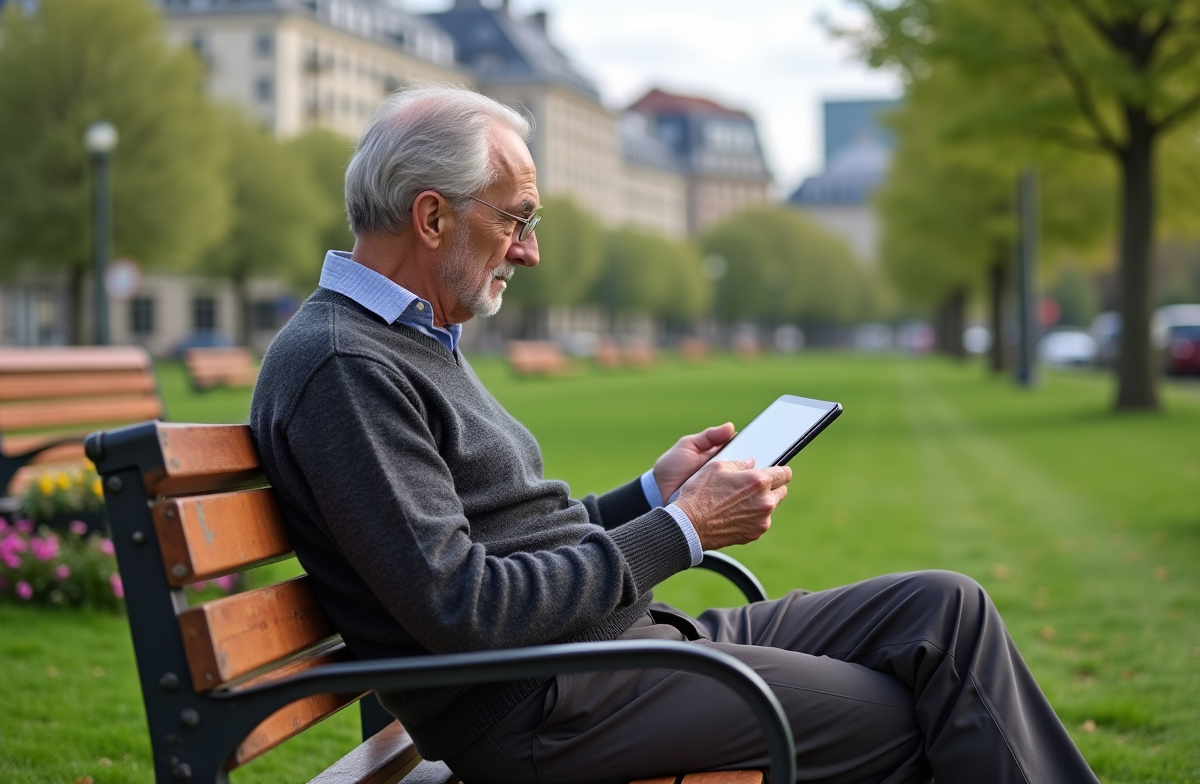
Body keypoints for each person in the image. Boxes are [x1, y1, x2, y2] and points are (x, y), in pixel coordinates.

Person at [249, 85, 1098, 784]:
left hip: (607, 651)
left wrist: (655, 494)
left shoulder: (404, 341)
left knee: (944, 609)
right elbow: (464, 609)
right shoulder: (345, 366)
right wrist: (685, 529)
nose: (529, 252)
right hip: (545, 706)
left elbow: (511, 544)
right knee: (896, 716)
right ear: (432, 219)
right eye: (518, 219)